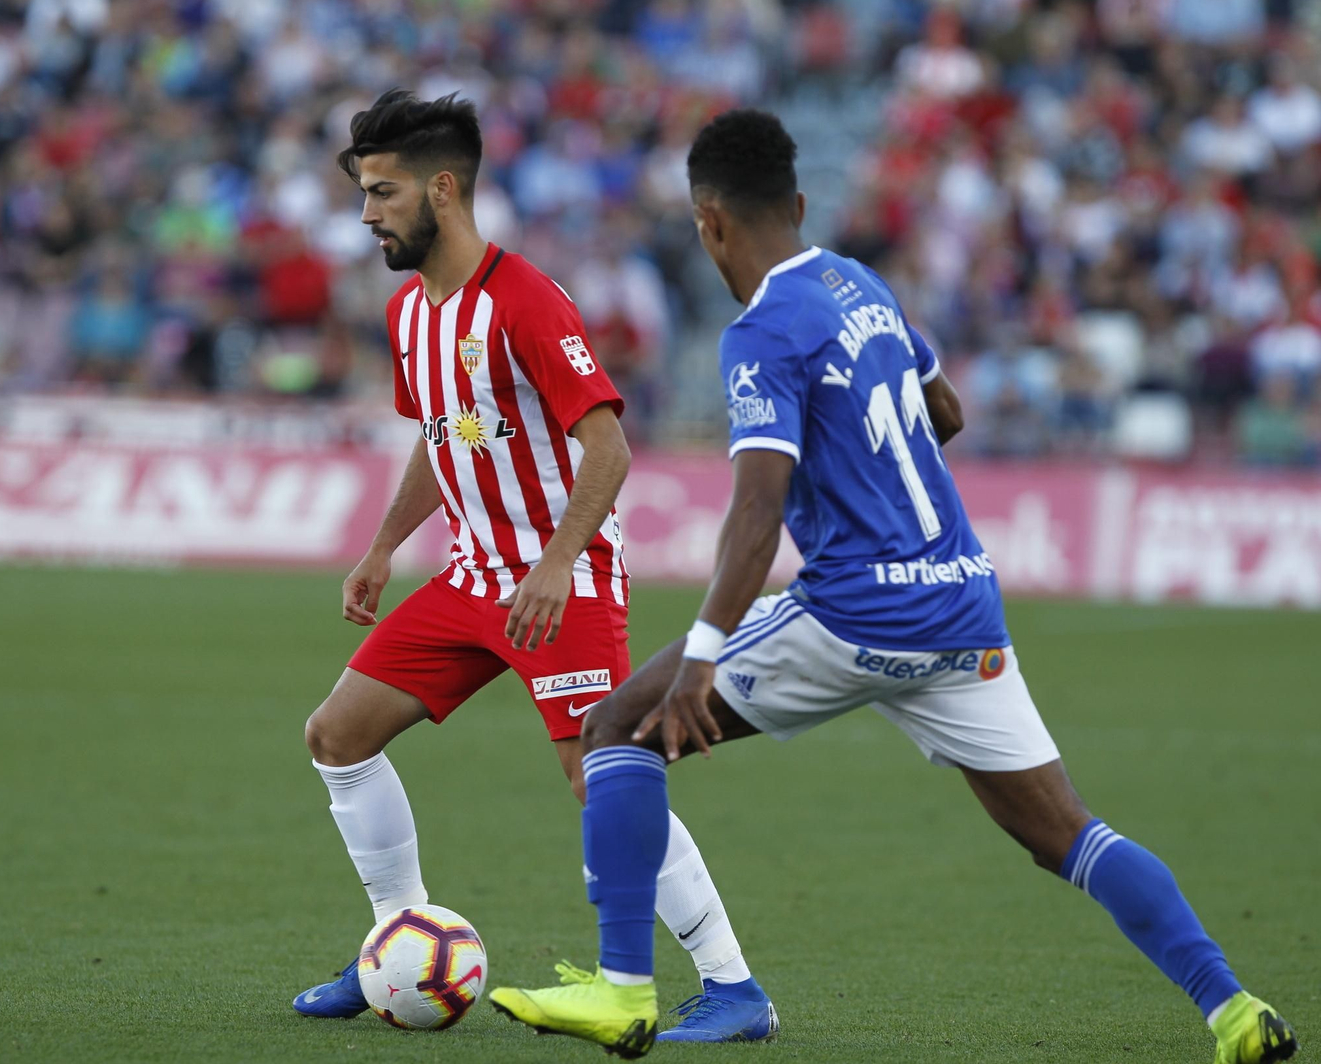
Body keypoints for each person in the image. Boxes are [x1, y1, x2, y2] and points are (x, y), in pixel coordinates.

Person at [489, 109, 1299, 1064]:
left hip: (857, 610)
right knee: (1066, 832)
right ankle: (1234, 1009)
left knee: (618, 727)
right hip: (960, 602)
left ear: (708, 222)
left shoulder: (760, 331)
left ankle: (624, 990)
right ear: (799, 203)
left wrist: (701, 656)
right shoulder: (862, 284)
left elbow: (756, 510)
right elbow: (943, 409)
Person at [294, 91, 777, 1043]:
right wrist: (385, 544)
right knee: (337, 735)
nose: (367, 214)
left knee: (605, 776)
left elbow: (609, 449)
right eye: (363, 193)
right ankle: (397, 939)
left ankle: (734, 986)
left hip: (564, 585)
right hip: (472, 581)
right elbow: (443, 434)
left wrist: (557, 562)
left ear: (443, 189)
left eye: (384, 192)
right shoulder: (410, 312)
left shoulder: (525, 299)